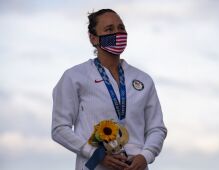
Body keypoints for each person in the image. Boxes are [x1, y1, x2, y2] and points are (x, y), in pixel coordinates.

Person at [51, 9, 167, 170]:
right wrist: (96, 154)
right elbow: (59, 129)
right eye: (109, 29)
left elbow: (157, 128)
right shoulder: (74, 77)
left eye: (121, 28)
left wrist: (145, 156)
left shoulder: (143, 80)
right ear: (93, 38)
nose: (118, 33)